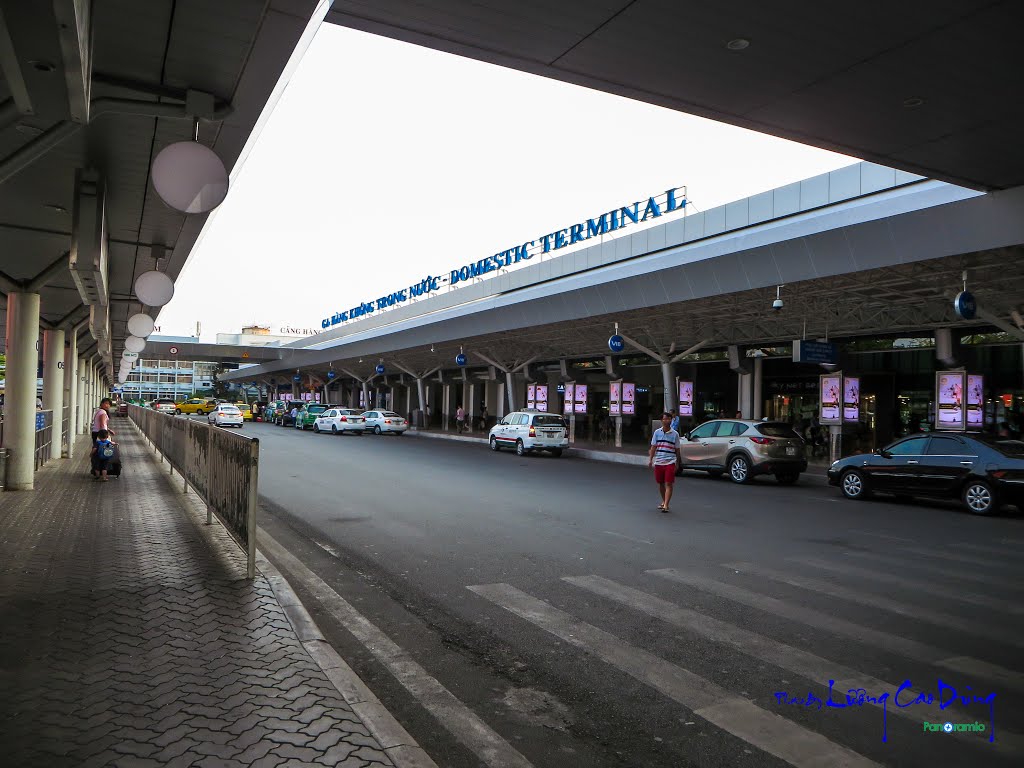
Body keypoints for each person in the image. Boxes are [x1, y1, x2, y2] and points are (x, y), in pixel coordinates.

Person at [648, 411, 682, 513]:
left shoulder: (675, 434)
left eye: (668, 419)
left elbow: (677, 449)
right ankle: (664, 501)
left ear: (671, 420)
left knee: (669, 483)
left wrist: (677, 462)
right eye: (664, 419)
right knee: (661, 483)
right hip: (659, 461)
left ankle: (666, 505)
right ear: (661, 420)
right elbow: (653, 447)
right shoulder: (657, 433)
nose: (666, 421)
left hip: (670, 461)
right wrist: (650, 459)